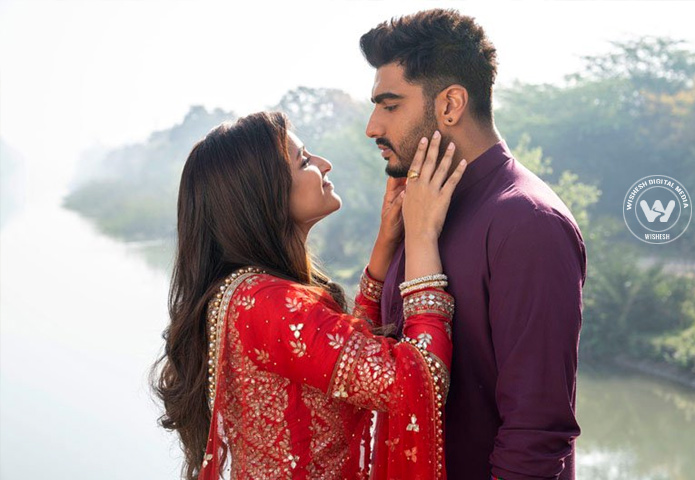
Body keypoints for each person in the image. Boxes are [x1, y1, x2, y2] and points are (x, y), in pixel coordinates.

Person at [152, 111, 467, 480]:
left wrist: (386, 243)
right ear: (264, 195)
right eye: (304, 161)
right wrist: (422, 235)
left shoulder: (246, 294)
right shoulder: (267, 302)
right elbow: (415, 381)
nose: (324, 163)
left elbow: (342, 361)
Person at [360, 9, 587, 480]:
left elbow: (536, 433)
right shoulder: (421, 209)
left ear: (450, 105)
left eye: (390, 105)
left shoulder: (528, 224)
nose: (373, 127)